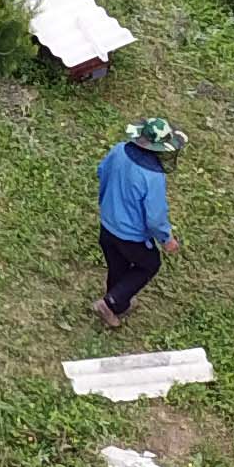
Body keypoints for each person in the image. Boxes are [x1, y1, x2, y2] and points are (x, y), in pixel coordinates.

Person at [92, 118, 184, 328]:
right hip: (131, 236)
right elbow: (155, 217)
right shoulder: (153, 177)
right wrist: (166, 238)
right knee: (149, 264)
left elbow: (101, 171)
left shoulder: (118, 150)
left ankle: (119, 302)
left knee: (118, 265)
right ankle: (110, 303)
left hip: (107, 225)